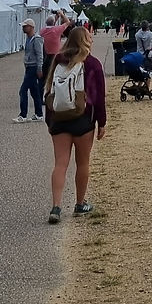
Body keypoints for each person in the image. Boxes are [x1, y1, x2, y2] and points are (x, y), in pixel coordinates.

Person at [44, 23, 107, 223]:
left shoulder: (58, 60)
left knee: (60, 164)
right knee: (83, 163)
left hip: (59, 119)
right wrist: (101, 122)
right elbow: (98, 97)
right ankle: (80, 204)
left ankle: (56, 206)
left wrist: (49, 120)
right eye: (89, 37)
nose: (92, 39)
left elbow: (49, 89)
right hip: (83, 119)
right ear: (84, 41)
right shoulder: (93, 64)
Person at [14, 19, 45, 122]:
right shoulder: (28, 39)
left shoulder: (36, 39)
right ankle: (39, 114)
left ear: (31, 27)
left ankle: (23, 115)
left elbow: (40, 55)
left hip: (33, 67)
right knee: (34, 91)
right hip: (29, 67)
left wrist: (40, 68)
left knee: (23, 90)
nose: (23, 28)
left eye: (25, 26)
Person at [41, 15, 63, 85]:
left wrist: (55, 19)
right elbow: (68, 22)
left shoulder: (42, 31)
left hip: (46, 54)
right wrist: (61, 14)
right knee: (54, 72)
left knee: (45, 73)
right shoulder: (57, 30)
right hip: (55, 55)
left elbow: (51, 26)